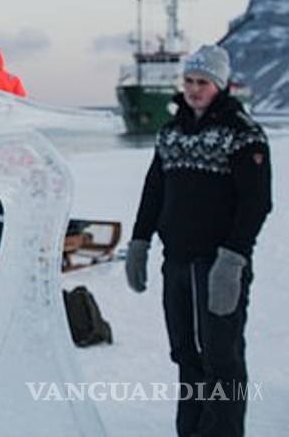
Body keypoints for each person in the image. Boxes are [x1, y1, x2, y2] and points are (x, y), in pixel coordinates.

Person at [126, 45, 272, 437]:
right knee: (186, 355)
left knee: (221, 359)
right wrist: (140, 241)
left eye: (202, 82)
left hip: (218, 265)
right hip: (176, 262)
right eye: (189, 81)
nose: (193, 89)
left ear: (219, 85)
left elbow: (257, 202)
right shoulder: (172, 133)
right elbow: (154, 190)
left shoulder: (243, 133)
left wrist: (233, 259)